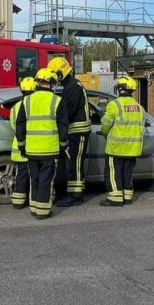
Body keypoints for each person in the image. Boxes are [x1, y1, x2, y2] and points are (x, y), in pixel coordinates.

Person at [15, 68, 69, 219]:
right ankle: (43, 210)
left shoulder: (26, 101)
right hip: (49, 149)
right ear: (52, 84)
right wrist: (64, 145)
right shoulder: (57, 101)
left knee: (34, 178)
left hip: (31, 149)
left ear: (38, 81)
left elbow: (20, 126)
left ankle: (34, 208)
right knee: (46, 179)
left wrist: (21, 145)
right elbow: (63, 127)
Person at [48, 56, 91, 207]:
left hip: (78, 132)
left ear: (60, 74)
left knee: (75, 163)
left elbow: (68, 112)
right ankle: (72, 194)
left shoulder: (73, 87)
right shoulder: (70, 86)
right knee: (71, 163)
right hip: (75, 131)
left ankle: (76, 196)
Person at [99, 77, 145, 207]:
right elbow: (141, 127)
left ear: (119, 89)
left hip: (116, 148)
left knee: (114, 174)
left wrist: (104, 134)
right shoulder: (139, 107)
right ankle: (127, 196)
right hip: (132, 148)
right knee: (127, 173)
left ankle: (115, 198)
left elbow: (105, 125)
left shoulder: (114, 105)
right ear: (131, 89)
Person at [9, 77, 36, 210]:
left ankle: (18, 202)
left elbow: (14, 127)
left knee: (20, 175)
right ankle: (33, 201)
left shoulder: (15, 107)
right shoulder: (34, 104)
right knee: (34, 177)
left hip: (18, 148)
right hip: (32, 147)